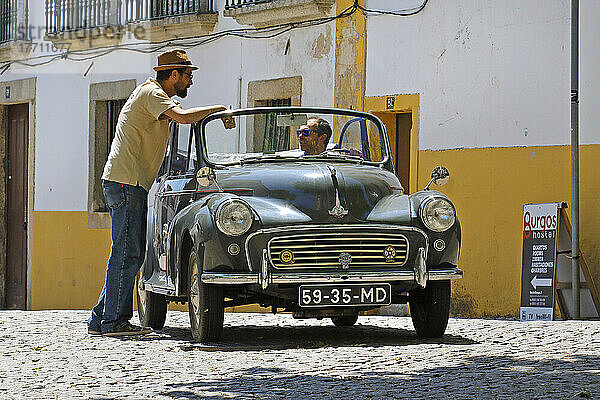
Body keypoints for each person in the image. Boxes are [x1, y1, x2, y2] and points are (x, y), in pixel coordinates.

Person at [88, 49, 230, 336]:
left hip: (126, 181)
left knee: (127, 252)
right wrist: (219, 109)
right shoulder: (152, 94)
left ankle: (101, 317)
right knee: (129, 253)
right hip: (127, 183)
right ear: (173, 74)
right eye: (188, 76)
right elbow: (184, 117)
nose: (190, 82)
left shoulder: (155, 97)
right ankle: (114, 322)